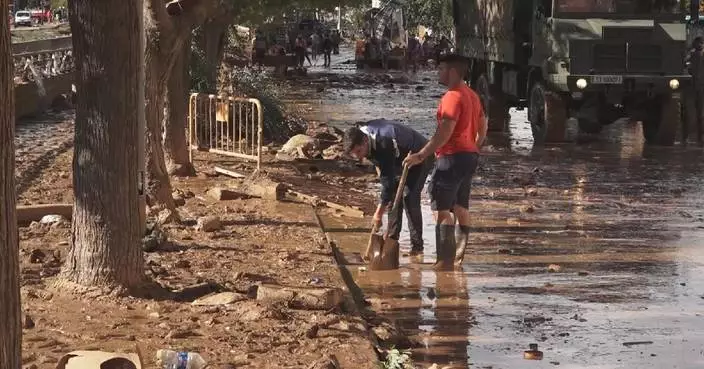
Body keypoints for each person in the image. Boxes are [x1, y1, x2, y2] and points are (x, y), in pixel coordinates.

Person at [403, 54, 488, 270]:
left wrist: (421, 155)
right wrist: (474, 147)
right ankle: (458, 258)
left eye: (440, 68)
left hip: (450, 159)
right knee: (461, 206)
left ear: (452, 72)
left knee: (442, 209)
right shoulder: (472, 95)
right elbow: (483, 126)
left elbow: (445, 132)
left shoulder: (452, 96)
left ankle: (445, 261)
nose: (437, 72)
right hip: (469, 157)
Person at [344, 119, 434, 255]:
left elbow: (387, 181)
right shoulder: (362, 137)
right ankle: (392, 240)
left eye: (359, 151)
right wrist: (385, 198)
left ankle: (417, 247)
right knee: (392, 198)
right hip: (399, 157)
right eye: (354, 154)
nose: (358, 157)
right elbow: (385, 178)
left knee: (409, 197)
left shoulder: (383, 142)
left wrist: (378, 214)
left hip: (420, 154)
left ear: (365, 141)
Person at [687, 36, 704, 144]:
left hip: (700, 87)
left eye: (702, 43)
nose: (700, 45)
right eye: (699, 43)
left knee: (700, 113)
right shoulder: (691, 55)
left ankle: (700, 137)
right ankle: (695, 136)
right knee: (693, 113)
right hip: (693, 87)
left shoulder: (694, 55)